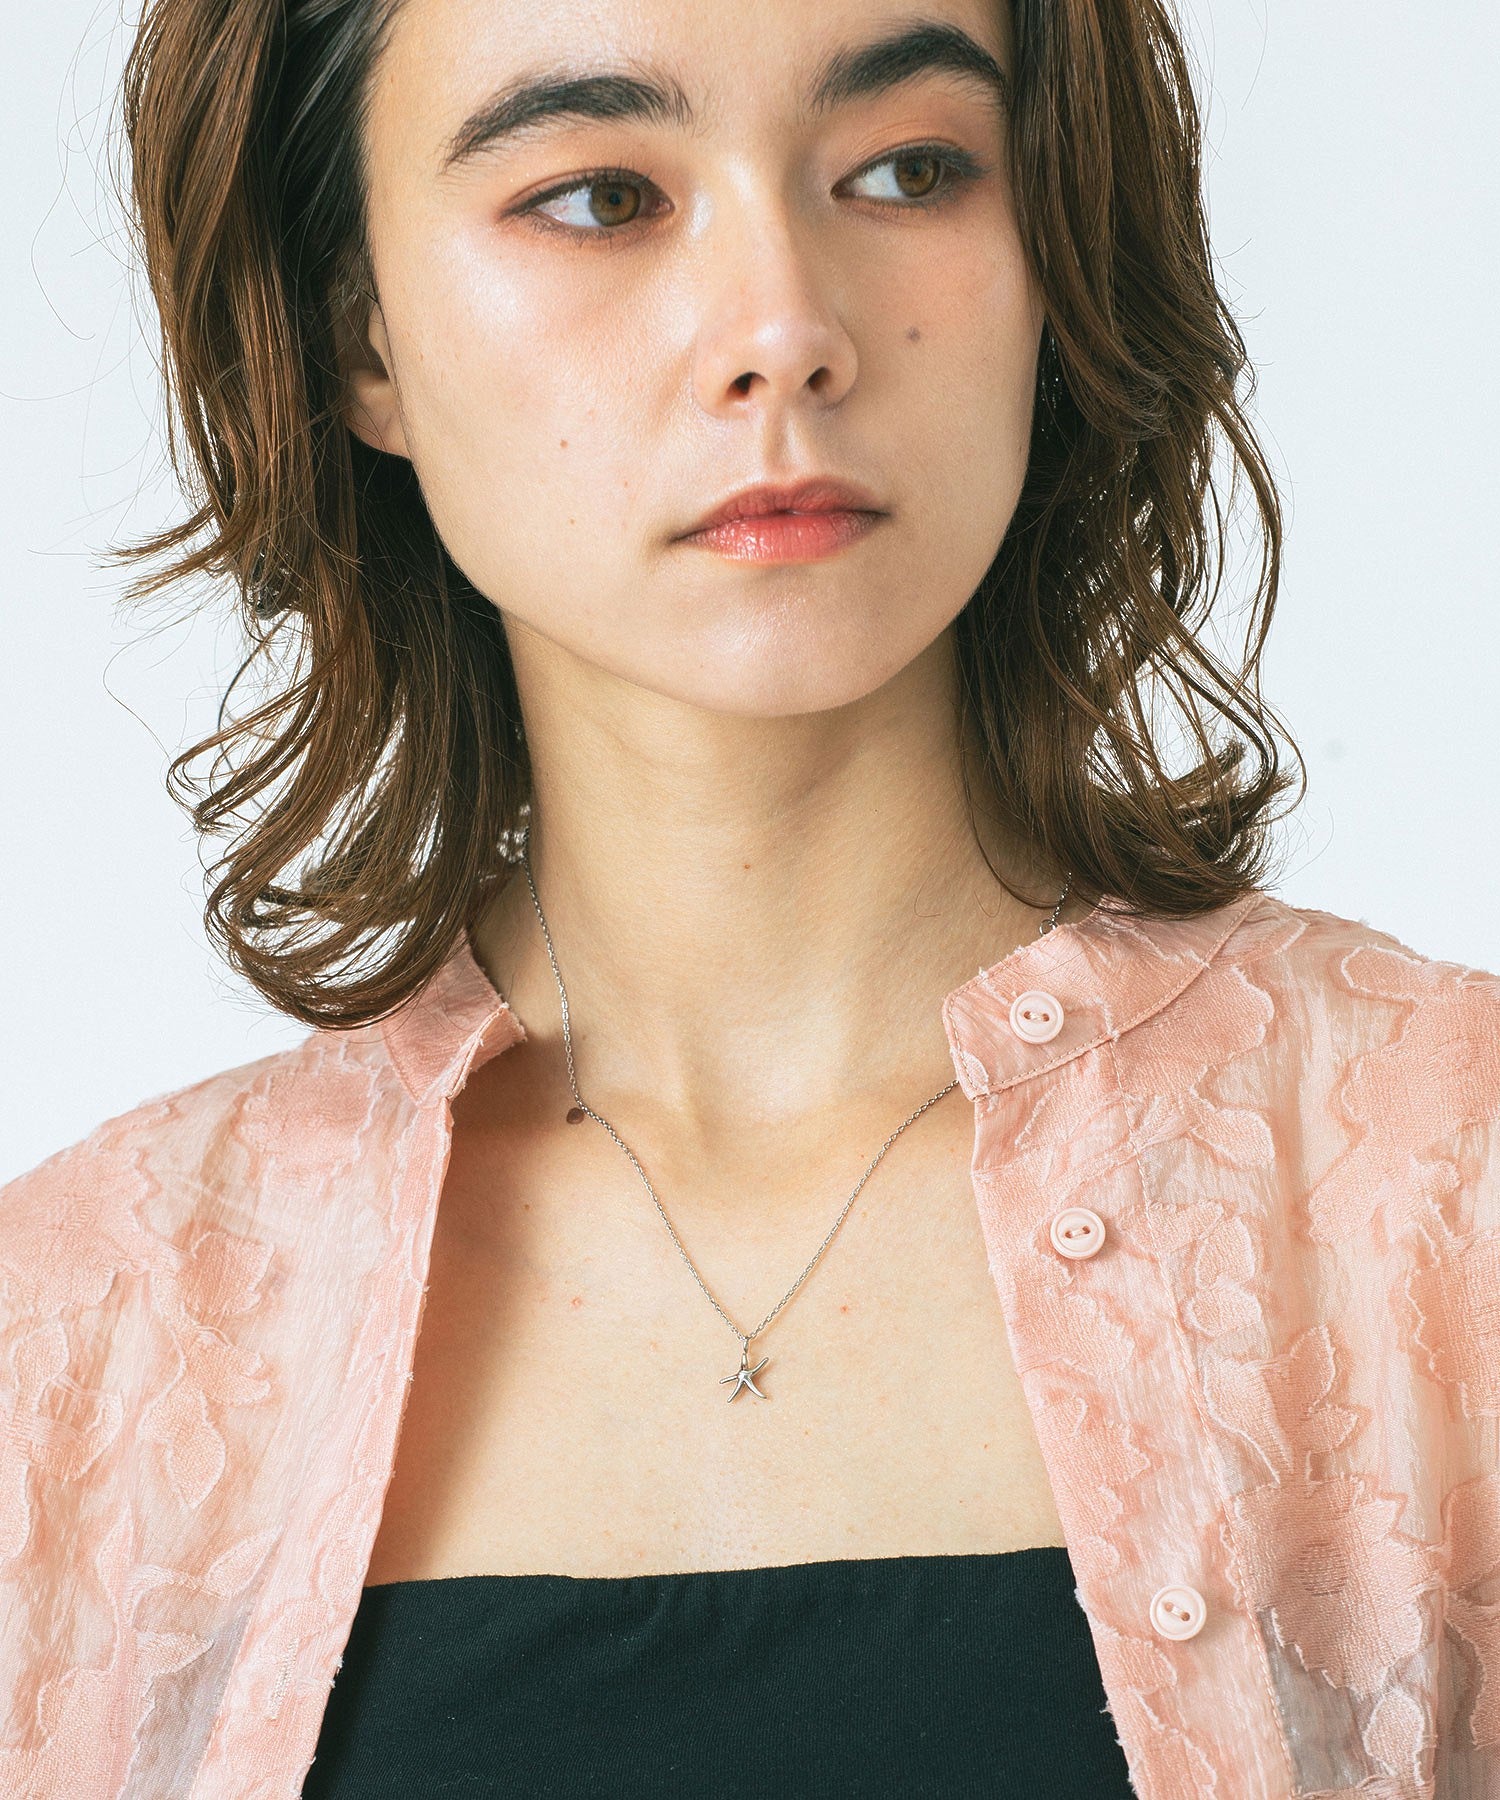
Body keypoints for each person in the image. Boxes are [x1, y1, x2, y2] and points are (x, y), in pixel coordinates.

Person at [1, 0, 1496, 1794]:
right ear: (358, 334)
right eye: (599, 197)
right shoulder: (75, 1347)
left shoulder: (1448, 1195)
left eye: (910, 169)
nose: (785, 327)